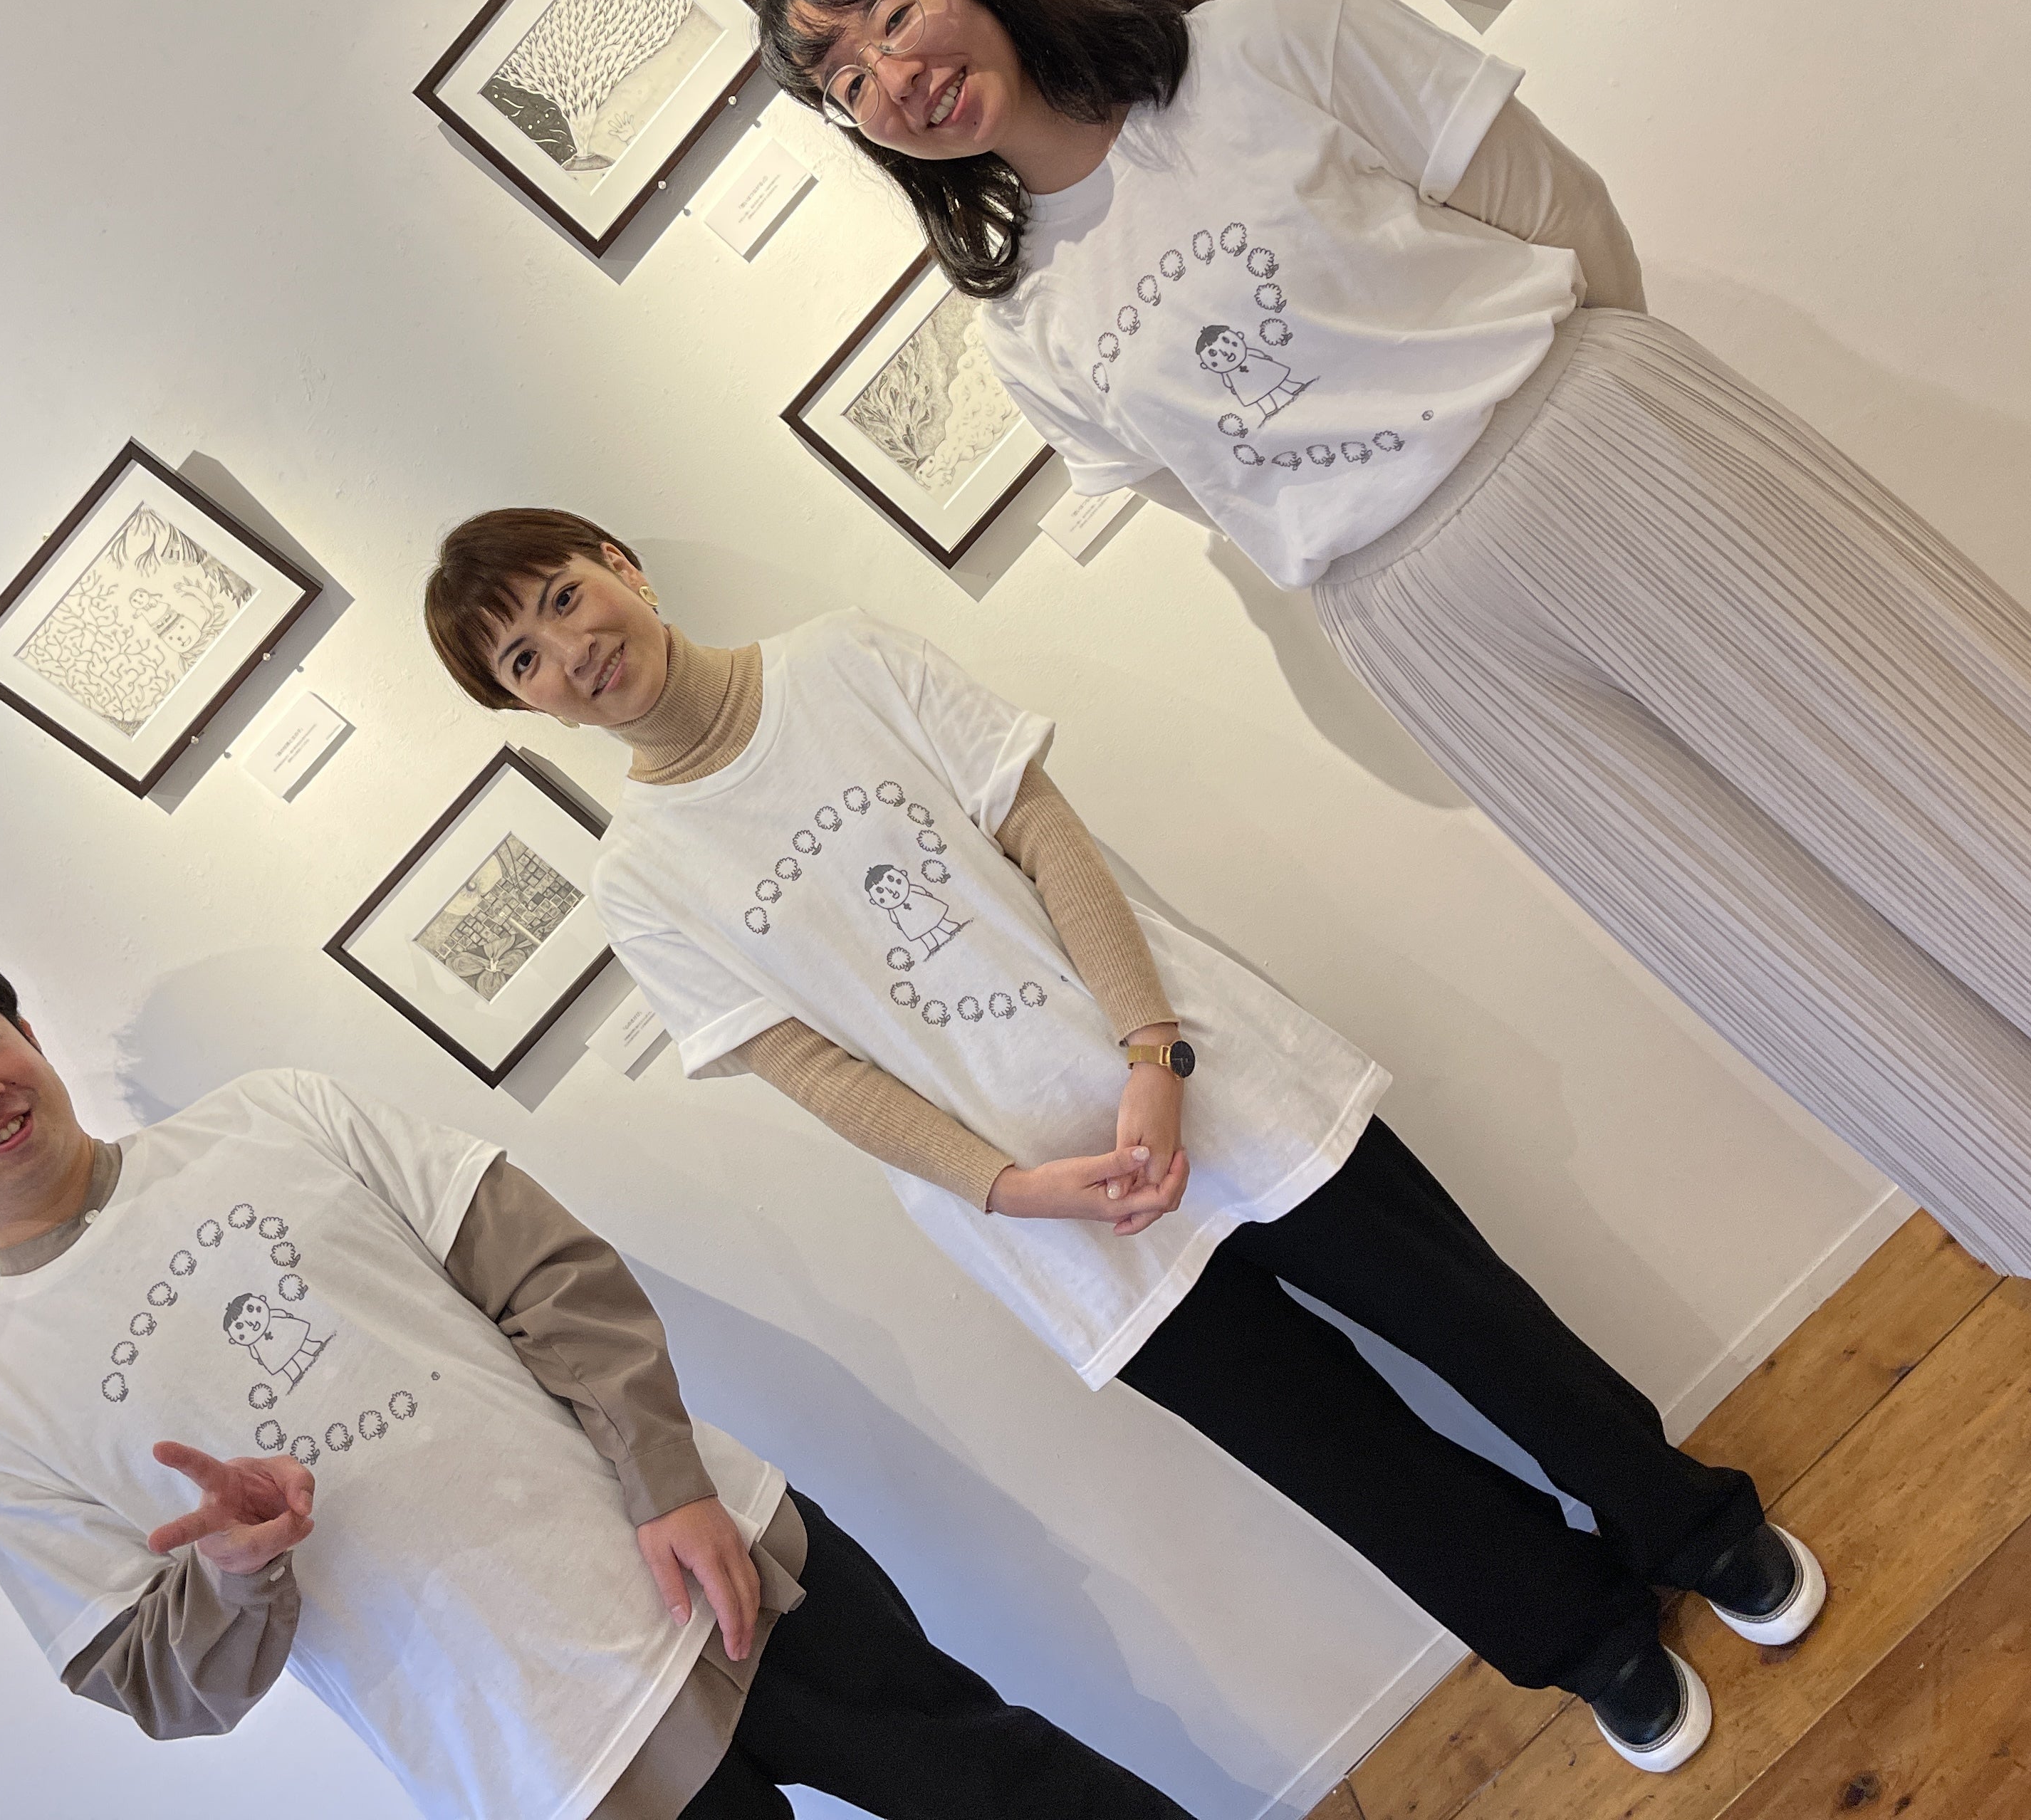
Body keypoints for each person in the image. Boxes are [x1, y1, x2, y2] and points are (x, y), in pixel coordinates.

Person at [751, 0, 2031, 1322]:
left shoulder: (1272, 46)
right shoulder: (1026, 326)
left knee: (1952, 774)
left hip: (1599, 448)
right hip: (1422, 623)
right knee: (1764, 915)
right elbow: (1229, 494)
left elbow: (1560, 213)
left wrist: (1578, 427)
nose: (892, 76)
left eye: (895, 10)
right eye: (845, 79)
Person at [423, 510, 1830, 1774]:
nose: (567, 649)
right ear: (520, 704)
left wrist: (1152, 1056)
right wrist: (1011, 1186)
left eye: (560, 596)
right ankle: (1584, 1636)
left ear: (622, 564)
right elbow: (809, 1069)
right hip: (1055, 1219)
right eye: (521, 659)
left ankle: (1689, 1525)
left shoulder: (841, 660)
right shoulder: (641, 881)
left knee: (1471, 1320)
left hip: (1208, 1079)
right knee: (1343, 1458)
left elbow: (1041, 831)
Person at [0, 938, 1187, 1820]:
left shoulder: (274, 1115)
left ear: (24, 1034)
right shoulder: (2, 1442)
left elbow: (548, 1275)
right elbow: (156, 1685)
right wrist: (237, 1575)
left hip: (708, 1568)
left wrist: (671, 1485)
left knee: (1014, 1789)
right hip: (547, 1760)